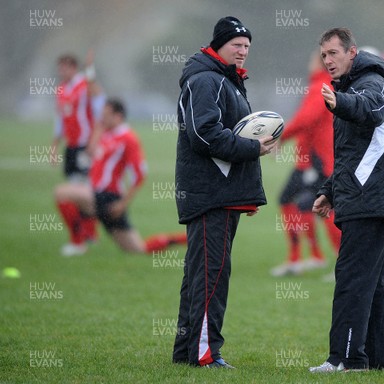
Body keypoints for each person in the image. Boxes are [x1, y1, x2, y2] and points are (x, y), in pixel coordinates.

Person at [172, 16, 276, 369]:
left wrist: (243, 189)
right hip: (209, 194)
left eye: (247, 46)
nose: (243, 51)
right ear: (218, 45)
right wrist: (253, 149)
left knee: (201, 274)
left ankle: (186, 351)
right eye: (236, 45)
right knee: (210, 276)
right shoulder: (207, 80)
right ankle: (204, 354)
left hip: (220, 193)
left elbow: (226, 134)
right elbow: (203, 135)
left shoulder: (225, 79)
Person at [310, 28, 384, 373]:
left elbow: (367, 109)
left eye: (334, 53)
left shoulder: (370, 85)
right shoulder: (354, 85)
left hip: (370, 200)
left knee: (352, 279)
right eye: (324, 55)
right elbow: (353, 154)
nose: (328, 60)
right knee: (374, 283)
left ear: (352, 52)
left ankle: (345, 359)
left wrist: (340, 102)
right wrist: (329, 190)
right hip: (367, 196)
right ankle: (373, 362)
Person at [54, 98, 186, 256]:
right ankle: (85, 237)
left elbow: (140, 174)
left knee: (62, 192)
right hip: (96, 195)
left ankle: (78, 244)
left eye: (106, 115)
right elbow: (90, 153)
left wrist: (123, 204)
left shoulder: (128, 138)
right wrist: (98, 129)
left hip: (109, 197)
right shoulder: (106, 133)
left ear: (118, 116)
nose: (102, 118)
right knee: (137, 250)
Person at [270, 50, 340, 277]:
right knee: (303, 204)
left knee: (322, 208)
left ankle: (328, 261)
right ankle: (313, 256)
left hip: (316, 161)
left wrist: (281, 136)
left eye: (312, 59)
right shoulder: (323, 84)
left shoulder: (321, 85)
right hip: (312, 160)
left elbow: (306, 119)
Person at [53, 52, 105, 245]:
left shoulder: (84, 84)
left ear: (74, 67)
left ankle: (88, 234)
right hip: (71, 147)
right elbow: (60, 119)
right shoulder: (61, 89)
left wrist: (90, 68)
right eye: (60, 67)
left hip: (86, 146)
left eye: (65, 66)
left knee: (84, 190)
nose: (62, 70)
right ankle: (84, 233)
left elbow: (97, 96)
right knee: (74, 187)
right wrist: (54, 145)